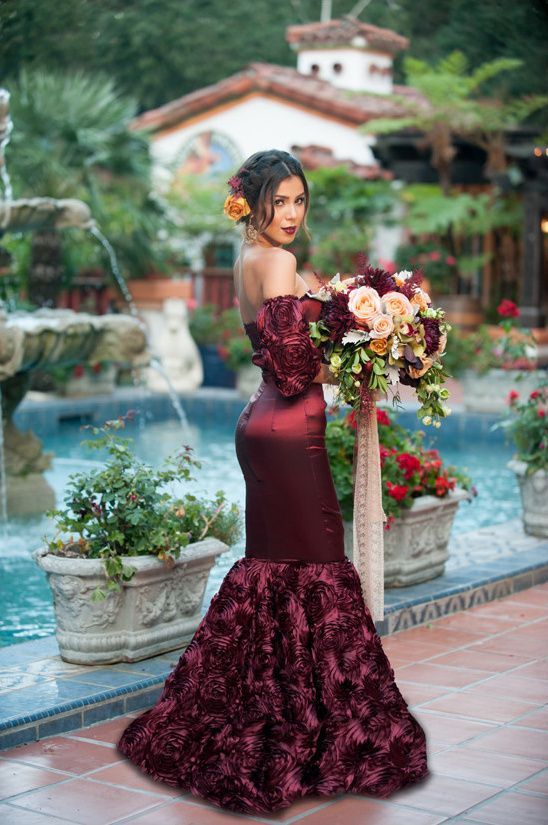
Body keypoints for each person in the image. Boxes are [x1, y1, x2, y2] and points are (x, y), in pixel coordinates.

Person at [117, 149, 430, 814]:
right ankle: (310, 738)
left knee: (275, 571)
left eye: (298, 201)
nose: (290, 214)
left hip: (262, 426)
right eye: (278, 202)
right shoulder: (279, 261)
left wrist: (368, 333)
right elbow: (294, 368)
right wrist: (378, 353)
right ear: (254, 204)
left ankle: (254, 723)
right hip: (288, 429)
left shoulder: (246, 258)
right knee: (316, 567)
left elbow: (279, 353)